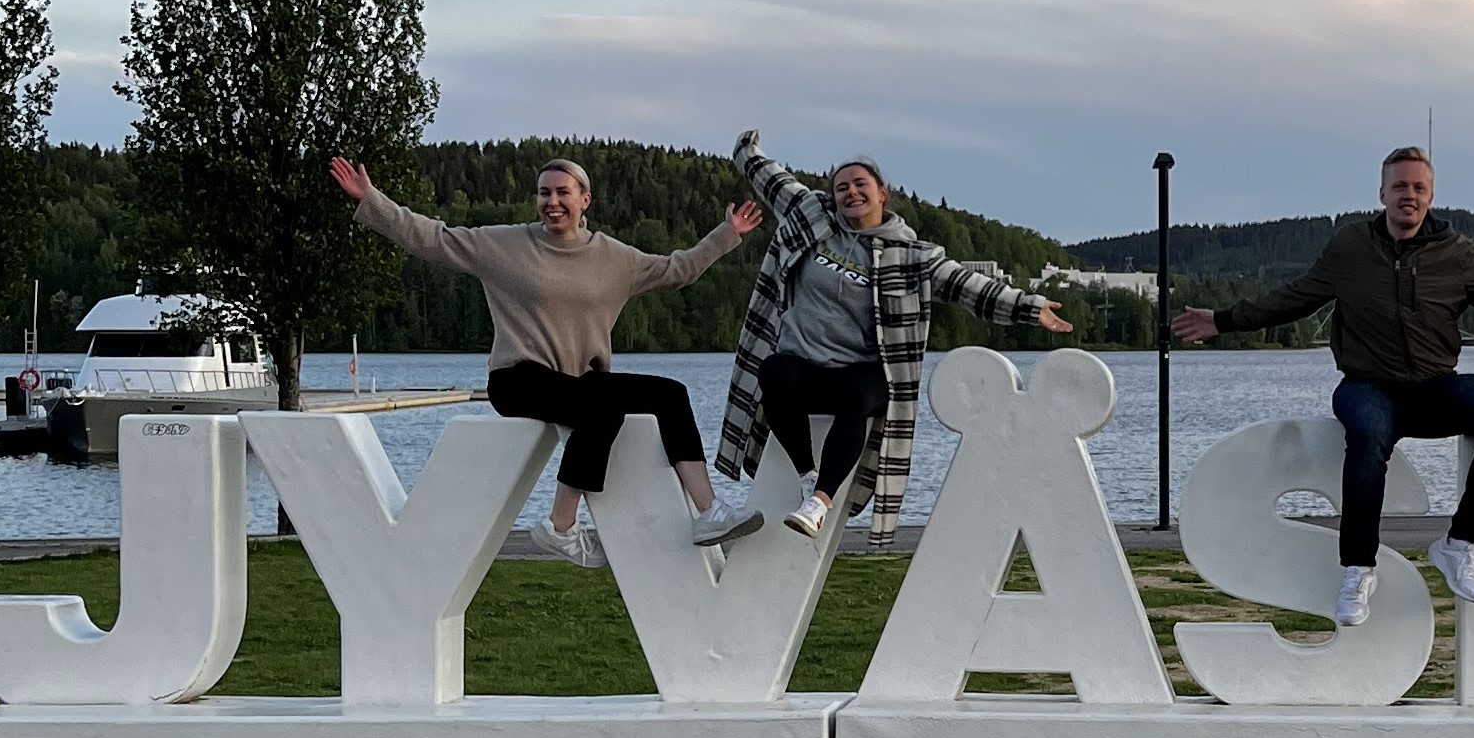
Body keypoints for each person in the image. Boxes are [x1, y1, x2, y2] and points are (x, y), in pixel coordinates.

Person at [1172, 145, 1474, 627]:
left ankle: (1460, 543)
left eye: (1418, 187)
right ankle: (1357, 569)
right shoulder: (1351, 248)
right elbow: (1295, 298)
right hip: (1368, 387)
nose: (1409, 195)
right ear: (1382, 193)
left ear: (1430, 196)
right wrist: (1224, 320)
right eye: (1400, 186)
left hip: (1435, 387)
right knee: (1368, 437)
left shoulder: (1458, 254)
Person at [330, 154, 762, 565]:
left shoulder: (614, 258)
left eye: (562, 192)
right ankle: (560, 526)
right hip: (517, 379)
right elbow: (433, 238)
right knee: (600, 409)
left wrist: (726, 234)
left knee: (671, 395)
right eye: (543, 193)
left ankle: (708, 511)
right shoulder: (504, 245)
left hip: (578, 382)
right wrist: (372, 200)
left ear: (584, 199)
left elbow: (676, 270)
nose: (552, 202)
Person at [716, 133, 1073, 545]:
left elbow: (966, 285)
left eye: (860, 185)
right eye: (841, 188)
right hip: (803, 369)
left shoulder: (910, 255)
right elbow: (770, 178)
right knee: (772, 371)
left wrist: (1029, 307)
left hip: (858, 372)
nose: (851, 193)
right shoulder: (810, 216)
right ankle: (806, 473)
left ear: (882, 193)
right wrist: (746, 147)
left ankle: (819, 502)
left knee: (859, 396)